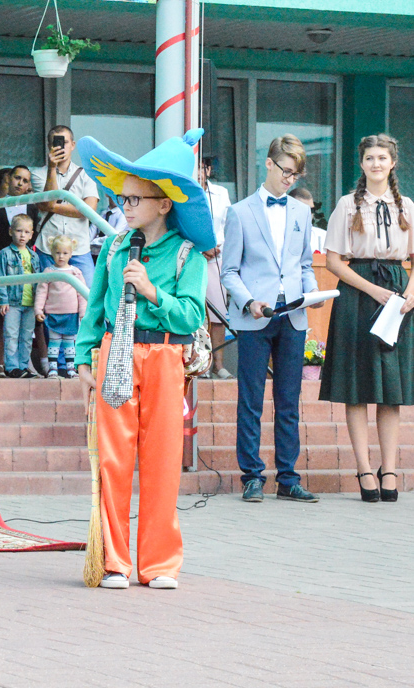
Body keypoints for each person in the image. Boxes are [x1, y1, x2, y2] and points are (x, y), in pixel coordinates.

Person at [75, 129, 212, 590]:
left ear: (164, 204)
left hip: (165, 355)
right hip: (116, 351)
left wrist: (153, 292)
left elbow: (193, 315)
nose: (125, 206)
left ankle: (159, 564)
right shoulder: (114, 247)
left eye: (135, 198)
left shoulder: (187, 254)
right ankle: (116, 562)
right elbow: (95, 309)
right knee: (113, 460)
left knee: (162, 460)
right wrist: (81, 359)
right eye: (122, 198)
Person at [220, 134, 321, 504]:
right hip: (254, 317)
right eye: (286, 171)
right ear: (269, 163)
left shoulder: (301, 212)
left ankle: (288, 477)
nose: (289, 180)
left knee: (289, 399)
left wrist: (312, 293)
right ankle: (251, 476)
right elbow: (228, 271)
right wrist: (249, 303)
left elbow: (305, 264)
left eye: (295, 176)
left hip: (293, 315)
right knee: (250, 398)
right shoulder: (240, 211)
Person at [320, 134, 414, 503]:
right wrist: (372, 290)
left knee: (391, 389)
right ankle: (363, 468)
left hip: (397, 295)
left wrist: (409, 295)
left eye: (382, 158)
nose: (376, 163)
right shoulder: (347, 205)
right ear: (361, 164)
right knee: (357, 387)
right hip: (359, 295)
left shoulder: (407, 206)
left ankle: (388, 467)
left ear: (393, 163)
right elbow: (332, 261)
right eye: (370, 158)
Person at [0, 165, 36, 377]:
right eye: (17, 178)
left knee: (25, 320)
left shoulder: (31, 207)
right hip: (0, 262)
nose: (20, 183)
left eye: (25, 180)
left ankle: (23, 364)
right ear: (8, 179)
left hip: (24, 267)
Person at [31, 125, 100, 283]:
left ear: (73, 145)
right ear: (49, 146)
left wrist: (52, 207)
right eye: (55, 143)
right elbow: (49, 201)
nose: (60, 147)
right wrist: (51, 168)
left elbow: (89, 210)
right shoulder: (38, 174)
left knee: (88, 295)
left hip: (79, 247)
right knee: (47, 298)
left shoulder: (86, 174)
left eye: (65, 142)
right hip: (47, 247)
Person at [198, 157, 234, 379]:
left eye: (201, 168)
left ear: (208, 170)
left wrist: (221, 247)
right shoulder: (183, 193)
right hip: (192, 257)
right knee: (196, 315)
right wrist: (201, 248)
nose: (198, 172)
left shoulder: (221, 193)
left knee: (218, 314)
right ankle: (199, 364)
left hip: (217, 258)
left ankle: (218, 365)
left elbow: (230, 225)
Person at [35, 235, 87, 378]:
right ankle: (53, 368)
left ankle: (71, 368)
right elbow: (41, 292)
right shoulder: (49, 272)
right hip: (53, 314)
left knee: (70, 342)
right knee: (54, 342)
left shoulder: (75, 272)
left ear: (71, 254)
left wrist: (83, 312)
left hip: (72, 314)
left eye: (65, 253)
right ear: (52, 253)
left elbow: (81, 294)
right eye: (57, 253)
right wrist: (38, 309)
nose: (61, 256)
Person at [0, 214, 40, 378]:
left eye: (26, 232)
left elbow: (39, 281)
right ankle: (12, 366)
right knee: (11, 335)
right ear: (10, 231)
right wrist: (3, 300)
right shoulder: (5, 254)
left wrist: (39, 304)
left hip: (30, 302)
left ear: (31, 234)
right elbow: (1, 278)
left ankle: (23, 366)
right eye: (18, 231)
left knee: (27, 336)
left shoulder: (34, 255)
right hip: (13, 301)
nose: (22, 235)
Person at [289, 187, 327, 252]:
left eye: (312, 210)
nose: (309, 214)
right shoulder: (278, 236)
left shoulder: (325, 237)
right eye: (303, 209)